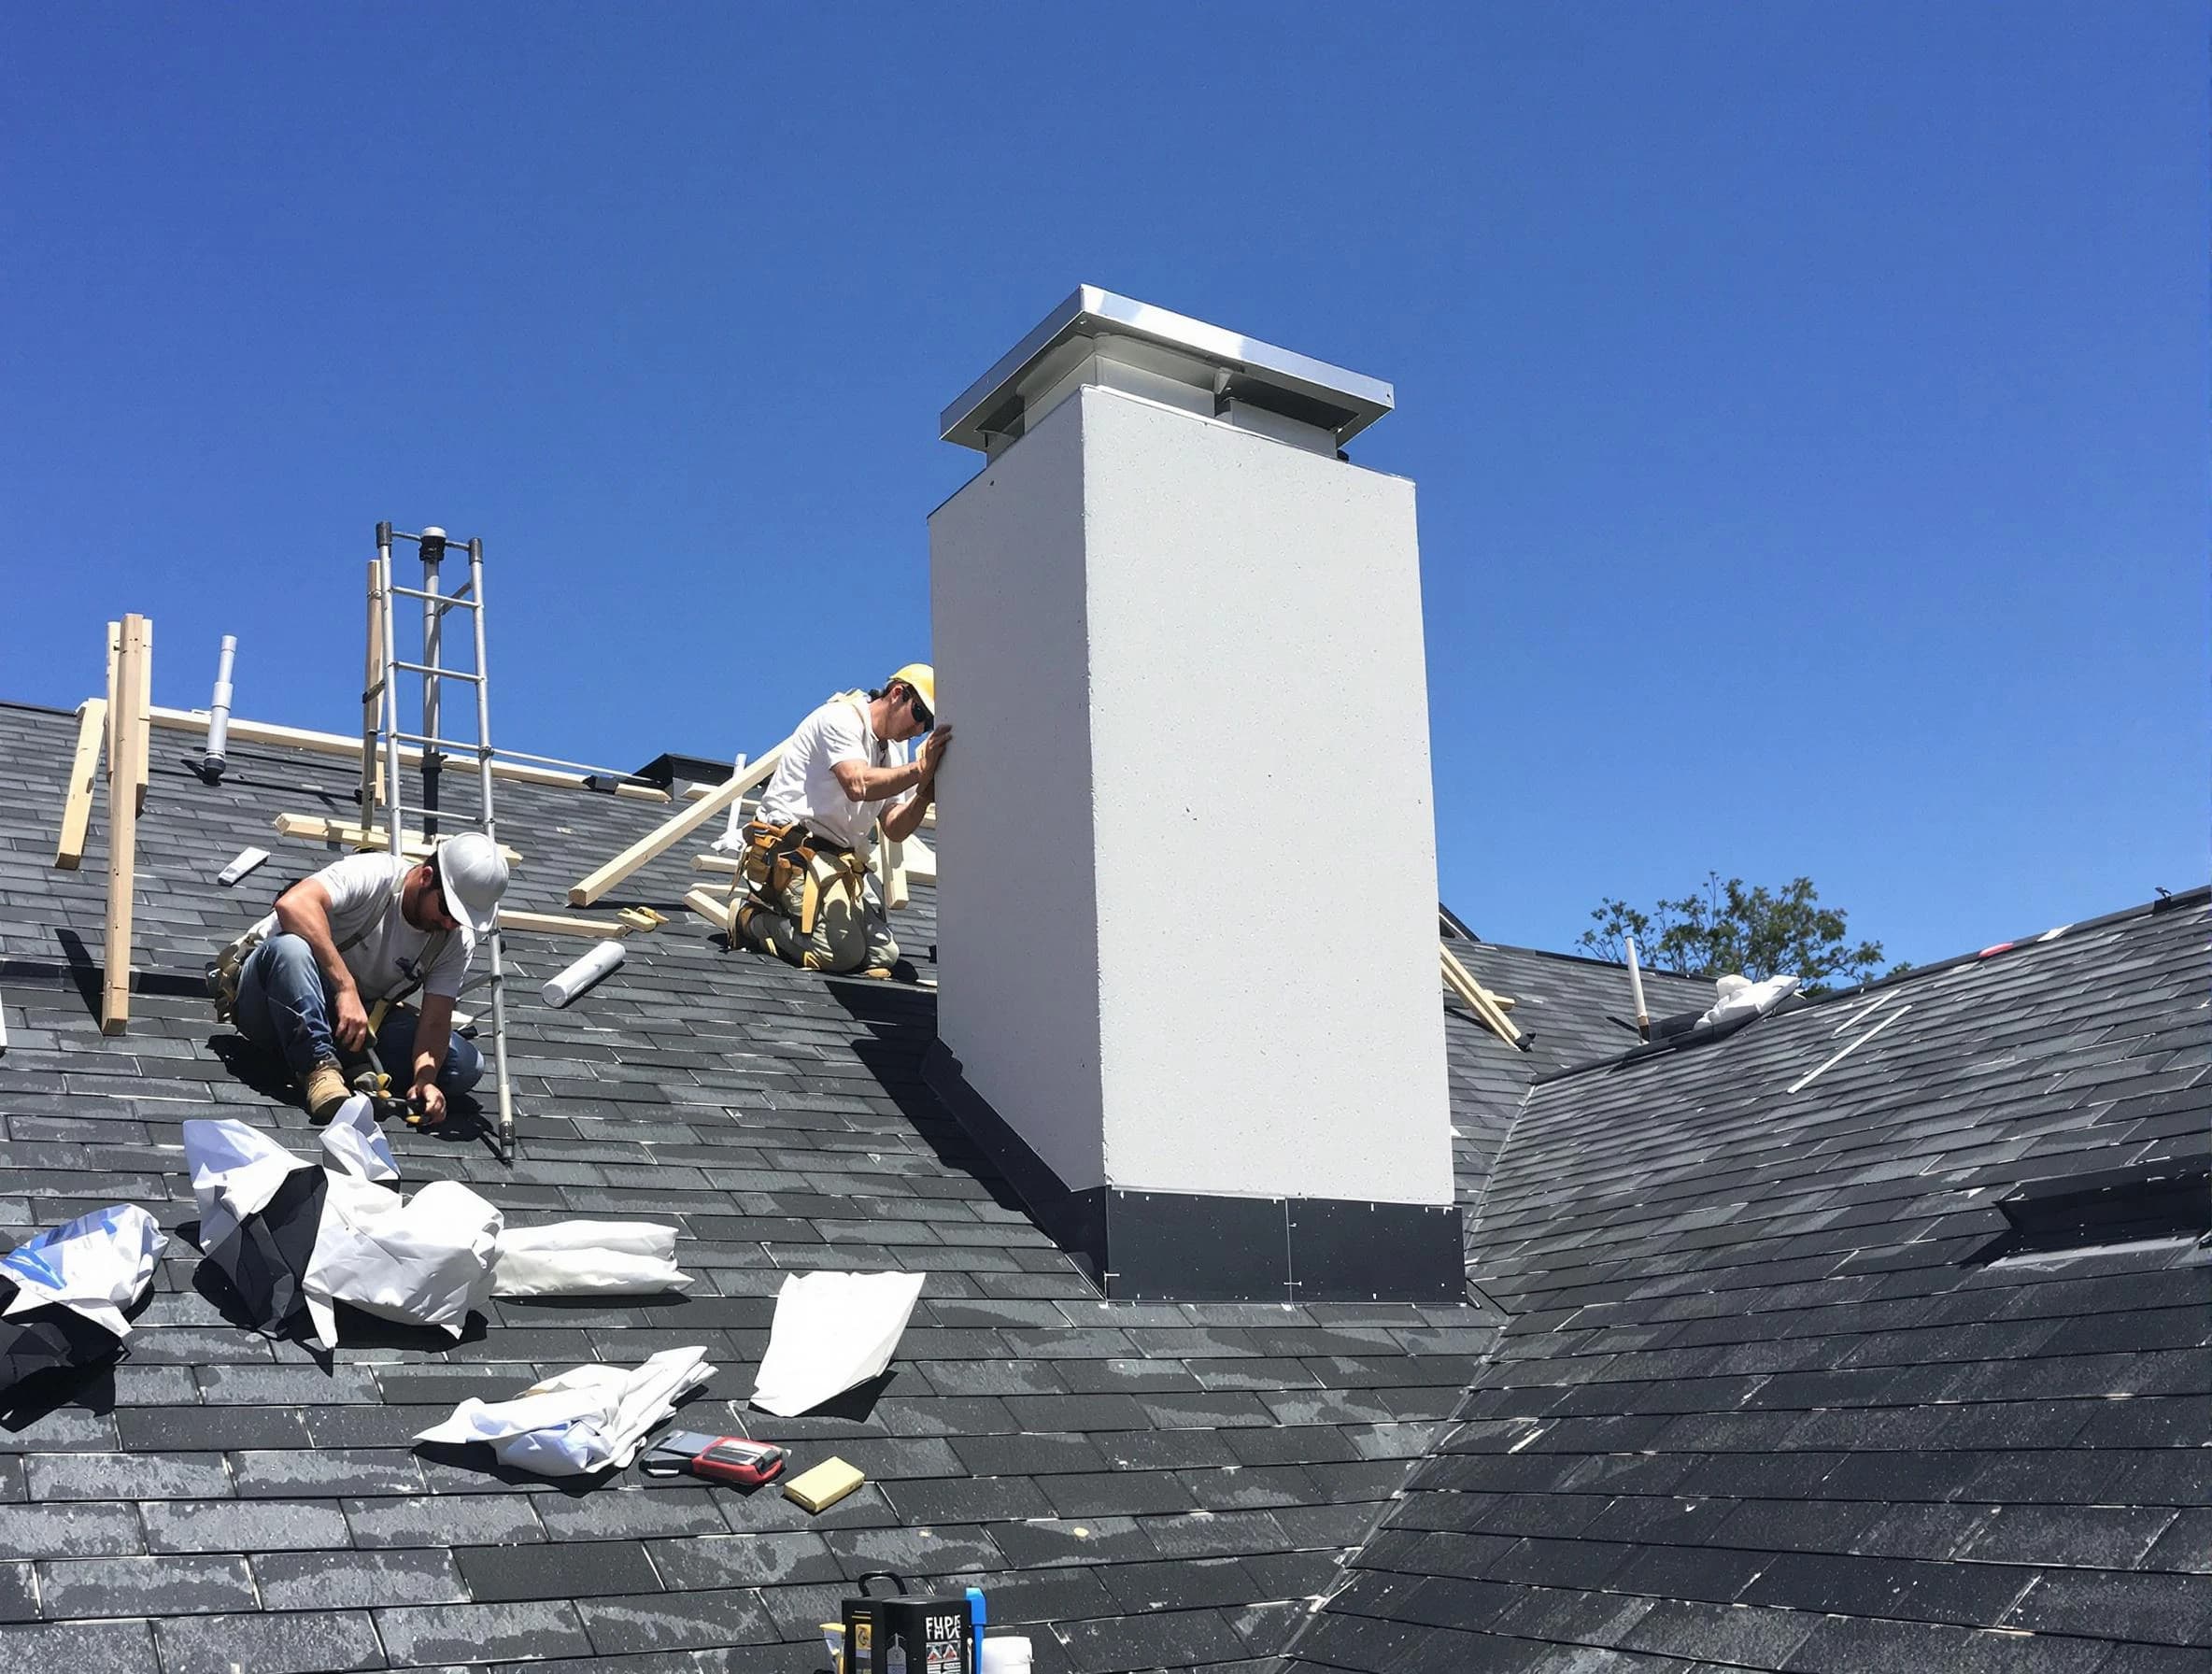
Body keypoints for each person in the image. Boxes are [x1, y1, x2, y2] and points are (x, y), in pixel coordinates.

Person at [229, 833, 509, 1124]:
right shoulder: (374, 873)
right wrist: (344, 987)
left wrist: (426, 1079)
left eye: (461, 919)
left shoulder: (454, 939)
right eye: (447, 910)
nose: (450, 924)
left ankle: (341, 1060)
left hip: (346, 1023)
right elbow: (293, 904)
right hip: (268, 998)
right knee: (290, 948)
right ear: (426, 877)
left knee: (464, 1065)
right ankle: (319, 1070)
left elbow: (436, 1020)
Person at [734, 663, 951, 976]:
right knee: (837, 955)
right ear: (897, 693)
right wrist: (920, 771)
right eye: (919, 715)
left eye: (927, 725)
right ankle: (751, 920)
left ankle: (807, 926)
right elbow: (857, 784)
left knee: (883, 955)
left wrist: (922, 797)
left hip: (834, 864)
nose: (918, 730)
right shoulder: (841, 718)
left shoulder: (893, 751)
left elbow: (894, 827)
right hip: (793, 853)